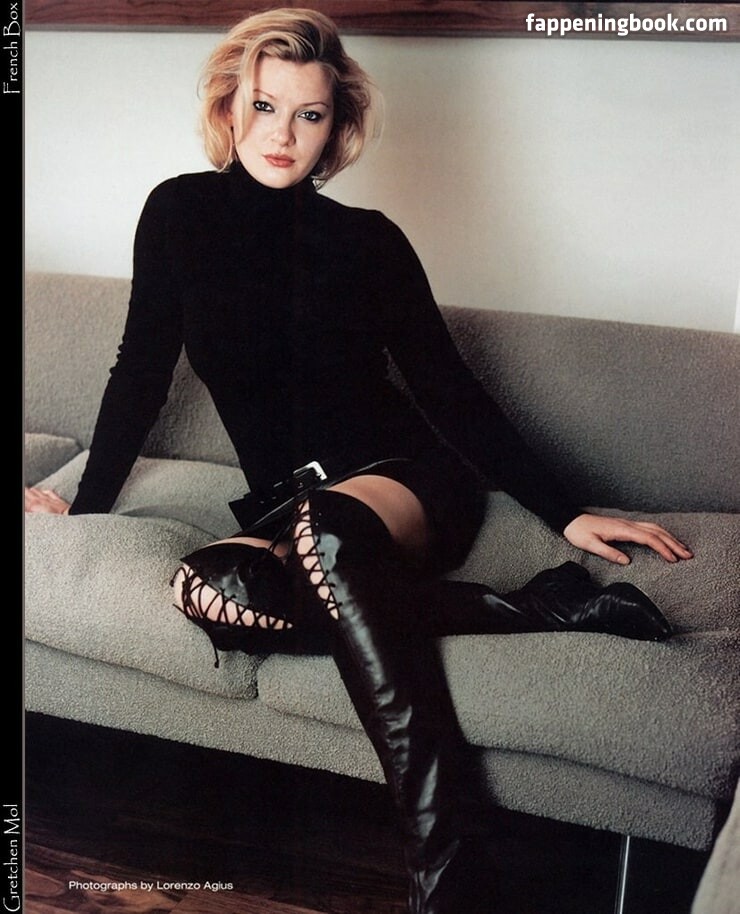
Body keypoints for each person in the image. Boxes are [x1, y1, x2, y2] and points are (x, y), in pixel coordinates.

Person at [25, 8, 693, 912]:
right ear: (230, 107)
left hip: (404, 479)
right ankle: (538, 607)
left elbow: (450, 390)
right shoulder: (177, 214)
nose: (282, 133)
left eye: (308, 114)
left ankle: (447, 859)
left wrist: (567, 510)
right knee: (214, 589)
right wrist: (87, 507)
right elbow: (139, 375)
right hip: (289, 503)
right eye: (265, 106)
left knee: (330, 529)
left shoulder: (368, 240)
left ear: (335, 127)